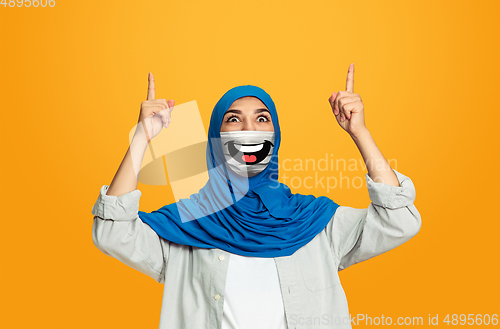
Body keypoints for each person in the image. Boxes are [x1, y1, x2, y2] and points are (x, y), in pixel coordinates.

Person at [92, 63, 421, 329]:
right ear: (215, 139)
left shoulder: (316, 222)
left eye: (261, 119)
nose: (248, 128)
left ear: (275, 136)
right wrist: (142, 139)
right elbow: (112, 232)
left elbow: (399, 221)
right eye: (234, 119)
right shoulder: (189, 223)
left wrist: (359, 132)